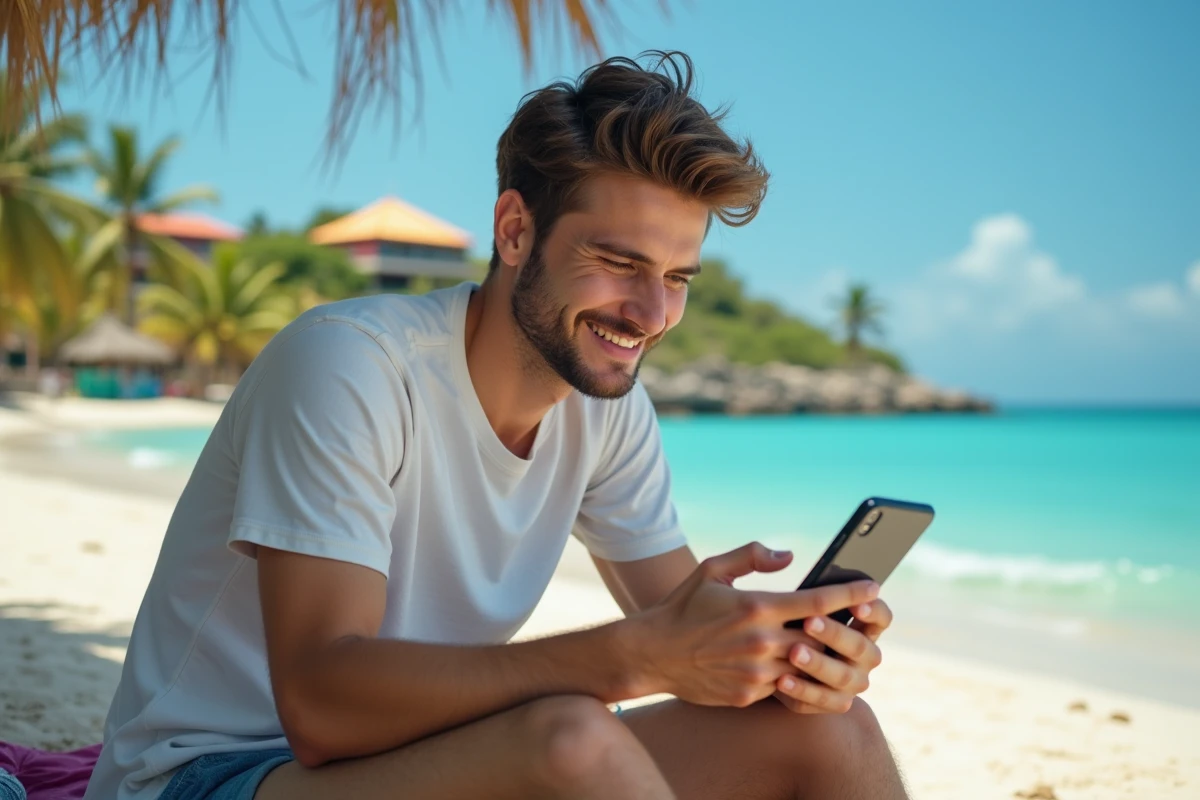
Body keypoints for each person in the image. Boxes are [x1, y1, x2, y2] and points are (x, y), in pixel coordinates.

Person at [84, 51, 909, 800]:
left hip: (423, 758)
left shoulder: (606, 413)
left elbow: (679, 628)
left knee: (829, 730)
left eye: (676, 277)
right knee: (572, 741)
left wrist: (784, 659)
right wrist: (636, 656)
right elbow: (321, 707)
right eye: (619, 263)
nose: (652, 313)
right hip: (207, 774)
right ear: (516, 230)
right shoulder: (349, 366)